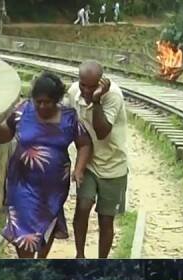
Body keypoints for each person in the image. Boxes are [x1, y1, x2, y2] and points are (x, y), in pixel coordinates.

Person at [0, 72, 92, 258]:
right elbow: (4, 136)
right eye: (38, 101)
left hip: (53, 187)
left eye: (47, 102)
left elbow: (85, 144)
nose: (41, 106)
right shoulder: (23, 111)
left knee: (47, 223)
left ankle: (41, 259)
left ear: (56, 100)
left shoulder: (69, 118)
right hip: (21, 183)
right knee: (21, 224)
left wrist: (79, 169)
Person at [66, 61, 129, 259]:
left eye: (91, 86)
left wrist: (97, 100)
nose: (85, 90)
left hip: (113, 165)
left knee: (106, 219)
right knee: (83, 207)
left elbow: (102, 132)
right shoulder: (74, 92)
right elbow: (65, 120)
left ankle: (102, 261)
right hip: (89, 162)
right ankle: (80, 255)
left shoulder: (113, 97)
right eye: (83, 84)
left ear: (101, 84)